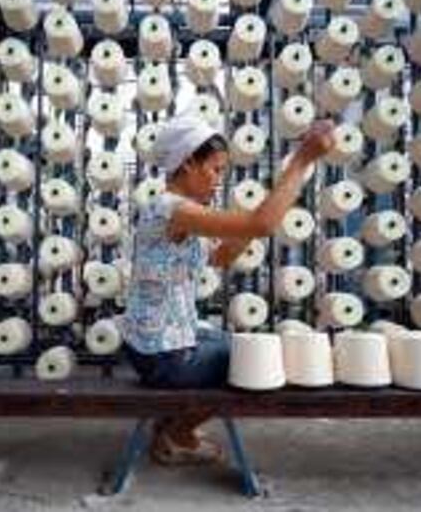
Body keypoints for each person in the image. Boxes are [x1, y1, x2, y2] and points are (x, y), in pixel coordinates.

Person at [121, 116, 336, 465]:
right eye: (215, 170)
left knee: (238, 343)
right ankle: (176, 434)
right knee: (253, 362)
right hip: (162, 356)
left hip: (162, 341)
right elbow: (263, 224)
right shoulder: (172, 209)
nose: (219, 180)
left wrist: (256, 215)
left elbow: (223, 255)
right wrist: (301, 161)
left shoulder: (185, 213)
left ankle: (174, 421)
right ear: (188, 162)